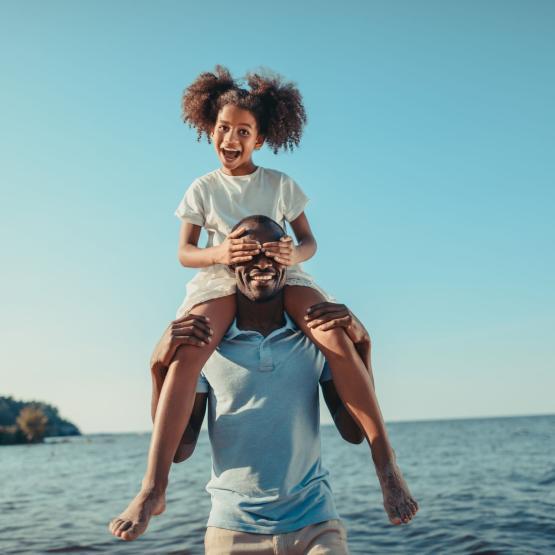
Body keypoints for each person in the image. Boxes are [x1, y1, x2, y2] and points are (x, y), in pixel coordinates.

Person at [108, 216, 419, 548]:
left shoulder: (312, 337)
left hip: (315, 521)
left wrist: (363, 345)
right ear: (229, 262)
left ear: (288, 260)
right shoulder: (207, 343)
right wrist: (157, 367)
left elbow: (353, 431)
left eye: (273, 251)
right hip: (232, 527)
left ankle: (388, 469)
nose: (262, 262)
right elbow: (181, 449)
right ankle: (152, 490)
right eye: (249, 252)